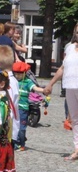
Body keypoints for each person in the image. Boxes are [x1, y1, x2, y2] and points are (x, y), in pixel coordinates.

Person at [44, 25, 78, 161]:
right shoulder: (70, 47)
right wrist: (50, 84)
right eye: (77, 30)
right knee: (75, 119)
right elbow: (62, 68)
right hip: (70, 86)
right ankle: (77, 149)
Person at [12, 60, 45, 151]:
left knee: (21, 128)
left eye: (19, 74)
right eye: (16, 74)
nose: (17, 76)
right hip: (14, 108)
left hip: (23, 109)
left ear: (24, 73)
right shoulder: (13, 80)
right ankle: (15, 142)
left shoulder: (28, 82)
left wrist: (43, 90)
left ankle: (21, 144)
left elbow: (35, 88)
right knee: (14, 126)